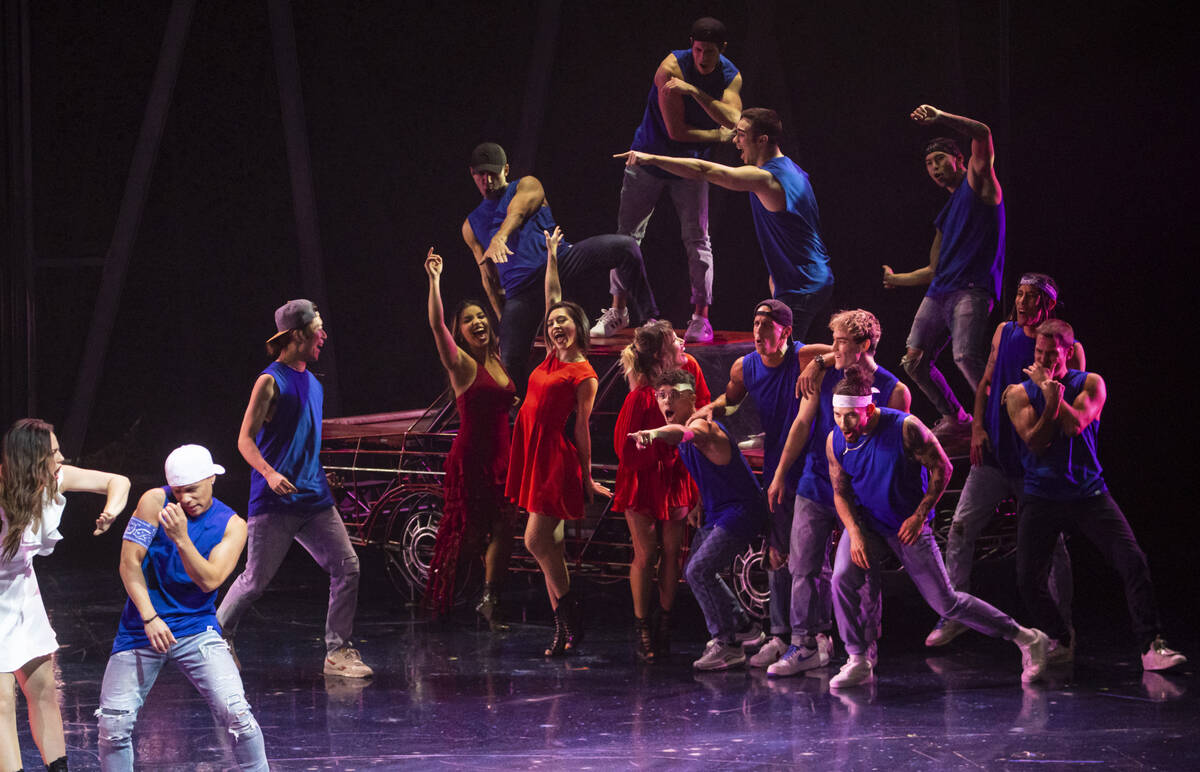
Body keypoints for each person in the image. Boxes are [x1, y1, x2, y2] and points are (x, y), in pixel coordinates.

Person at [825, 366, 1048, 689]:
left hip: (907, 524)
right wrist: (855, 533)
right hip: (868, 523)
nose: (843, 424)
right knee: (842, 577)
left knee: (946, 602)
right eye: (837, 415)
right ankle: (858, 658)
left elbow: (942, 468)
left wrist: (919, 515)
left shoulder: (905, 428)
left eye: (850, 416)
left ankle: (1026, 637)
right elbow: (840, 492)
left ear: (869, 409)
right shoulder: (836, 441)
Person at [1005, 320, 1186, 672]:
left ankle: (1151, 646)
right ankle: (1060, 636)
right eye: (1039, 354)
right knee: (1027, 579)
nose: (1044, 360)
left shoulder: (1091, 383)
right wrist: (1047, 394)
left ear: (1068, 352)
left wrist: (1054, 396)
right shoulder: (1019, 393)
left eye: (1052, 354)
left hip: (1088, 493)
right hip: (1041, 496)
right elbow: (1036, 442)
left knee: (1133, 561)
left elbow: (1075, 426)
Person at [217, 299, 372, 678]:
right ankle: (216, 636)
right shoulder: (270, 381)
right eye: (318, 328)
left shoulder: (314, 384)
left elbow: (303, 441)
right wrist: (270, 474)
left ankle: (337, 652)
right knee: (255, 580)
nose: (324, 335)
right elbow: (244, 440)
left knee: (347, 565)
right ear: (298, 334)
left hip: (314, 499)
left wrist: (317, 472)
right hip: (275, 502)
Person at [926, 274, 1081, 650]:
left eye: (1032, 297)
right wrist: (978, 428)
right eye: (1020, 294)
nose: (1023, 302)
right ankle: (955, 613)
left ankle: (1062, 627)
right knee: (960, 528)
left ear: (1048, 305)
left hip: (1036, 462)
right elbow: (985, 383)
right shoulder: (1004, 332)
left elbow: (1072, 404)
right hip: (995, 455)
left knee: (1054, 545)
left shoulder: (1062, 347)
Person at [96, 445, 268, 771]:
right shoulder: (154, 502)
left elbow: (210, 581)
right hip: (143, 626)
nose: (185, 498)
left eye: (192, 489)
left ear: (211, 479)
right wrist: (149, 616)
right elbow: (128, 564)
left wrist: (182, 538)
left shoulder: (233, 525)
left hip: (196, 629)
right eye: (178, 491)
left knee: (237, 714)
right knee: (113, 726)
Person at [766, 309, 910, 677]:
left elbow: (892, 450)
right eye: (834, 342)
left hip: (860, 494)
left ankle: (864, 647)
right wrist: (781, 473)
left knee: (861, 572)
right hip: (816, 482)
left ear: (864, 345)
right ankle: (804, 644)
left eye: (841, 342)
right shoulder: (825, 373)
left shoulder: (894, 391)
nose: (833, 348)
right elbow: (802, 424)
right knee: (802, 567)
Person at [616, 107, 833, 340]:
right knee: (784, 357)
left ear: (762, 140)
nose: (735, 141)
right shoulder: (790, 169)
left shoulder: (768, 179)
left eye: (740, 134)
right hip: (808, 280)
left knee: (782, 359)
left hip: (803, 287)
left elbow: (703, 169)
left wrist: (651, 158)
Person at [692, 299, 830, 669]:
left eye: (767, 325)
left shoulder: (802, 357)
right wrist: (712, 408)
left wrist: (819, 364)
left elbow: (845, 351)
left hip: (810, 467)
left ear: (785, 331)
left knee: (809, 555)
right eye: (755, 324)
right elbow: (730, 400)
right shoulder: (745, 367)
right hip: (775, 468)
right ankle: (781, 634)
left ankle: (820, 636)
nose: (758, 331)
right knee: (777, 552)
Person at [463, 142, 658, 393]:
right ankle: (524, 414)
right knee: (510, 357)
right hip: (521, 292)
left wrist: (500, 237)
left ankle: (650, 319)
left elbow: (517, 213)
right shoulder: (470, 226)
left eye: (493, 173)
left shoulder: (527, 185)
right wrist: (504, 319)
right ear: (472, 174)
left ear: (506, 170)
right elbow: (488, 278)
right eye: (481, 175)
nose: (487, 180)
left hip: (561, 262)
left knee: (626, 247)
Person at [1, 419, 130, 772]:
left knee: (42, 687)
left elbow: (117, 481)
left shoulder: (56, 477)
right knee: (1, 701)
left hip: (21, 592)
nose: (60, 457)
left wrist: (112, 511)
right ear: (30, 459)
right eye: (53, 452)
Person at [507, 227, 610, 656]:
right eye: (551, 324)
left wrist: (585, 476)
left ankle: (572, 613)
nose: (554, 326)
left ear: (578, 325)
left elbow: (583, 428)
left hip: (553, 459)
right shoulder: (551, 356)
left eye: (562, 322)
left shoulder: (582, 373)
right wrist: (551, 254)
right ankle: (562, 630)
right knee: (551, 548)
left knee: (535, 541)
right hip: (529, 451)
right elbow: (553, 296)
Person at [616, 16, 743, 343]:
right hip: (647, 158)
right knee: (626, 238)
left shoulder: (730, 75)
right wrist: (717, 134)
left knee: (698, 238)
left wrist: (694, 91)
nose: (703, 58)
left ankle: (701, 317)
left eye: (710, 52)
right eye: (698, 49)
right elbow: (678, 132)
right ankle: (618, 309)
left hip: (690, 165)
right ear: (691, 45)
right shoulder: (669, 69)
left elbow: (735, 119)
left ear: (722, 50)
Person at [631, 369, 768, 671]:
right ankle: (744, 627)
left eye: (674, 395)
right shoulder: (682, 428)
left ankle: (727, 644)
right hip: (718, 509)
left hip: (742, 510)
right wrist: (697, 501)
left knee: (699, 571)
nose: (666, 401)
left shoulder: (700, 427)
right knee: (695, 570)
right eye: (661, 395)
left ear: (691, 398)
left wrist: (653, 434)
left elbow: (689, 435)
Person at [882, 105, 1005, 439]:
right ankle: (957, 417)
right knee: (913, 361)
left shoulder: (979, 184)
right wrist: (897, 280)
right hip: (939, 293)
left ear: (959, 159)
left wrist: (940, 117)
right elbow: (934, 270)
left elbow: (983, 133)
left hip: (971, 289)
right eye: (929, 163)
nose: (934, 167)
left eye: (939, 159)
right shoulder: (944, 216)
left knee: (965, 355)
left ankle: (1005, 417)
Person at [421, 248, 518, 626]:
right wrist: (434, 280)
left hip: (503, 457)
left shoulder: (497, 360)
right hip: (473, 458)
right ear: (459, 332)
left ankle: (489, 599)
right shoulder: (461, 364)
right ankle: (442, 593)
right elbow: (435, 326)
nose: (477, 322)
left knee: (506, 525)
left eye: (480, 317)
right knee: (470, 532)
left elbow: (502, 401)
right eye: (467, 321)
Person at [612, 320, 711, 661]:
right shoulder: (641, 394)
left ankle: (665, 621)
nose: (683, 342)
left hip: (677, 473)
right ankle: (641, 626)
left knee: (673, 551)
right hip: (643, 477)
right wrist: (659, 445)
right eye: (674, 341)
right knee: (646, 552)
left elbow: (704, 416)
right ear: (659, 356)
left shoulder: (691, 370)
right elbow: (623, 448)